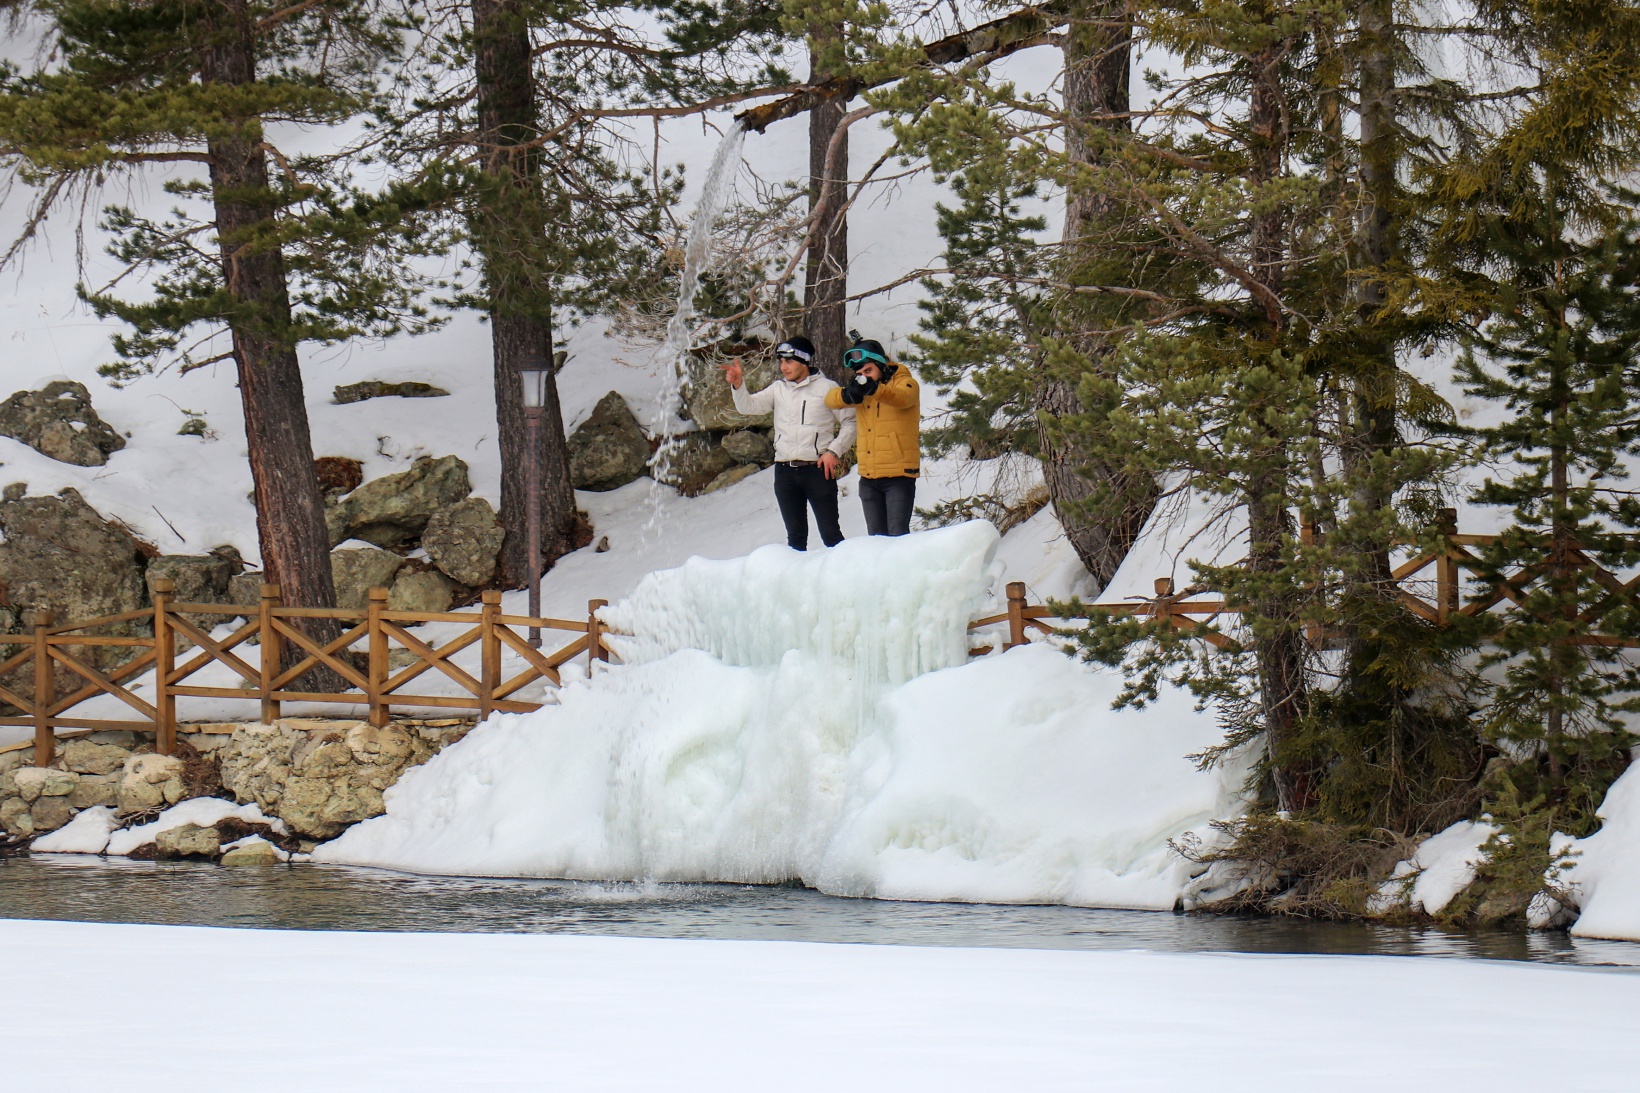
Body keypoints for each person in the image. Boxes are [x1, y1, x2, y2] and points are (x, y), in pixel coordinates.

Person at [721, 336, 857, 551]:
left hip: (817, 470)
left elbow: (851, 422)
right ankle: (798, 582)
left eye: (789, 361)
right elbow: (748, 407)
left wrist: (833, 451)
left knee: (830, 534)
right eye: (780, 361)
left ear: (804, 361)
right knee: (795, 538)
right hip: (785, 472)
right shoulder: (778, 389)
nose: (783, 367)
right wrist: (738, 385)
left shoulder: (827, 388)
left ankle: (842, 580)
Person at [825, 334, 920, 536]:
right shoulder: (865, 391)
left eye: (869, 370)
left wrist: (874, 388)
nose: (865, 376)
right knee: (875, 540)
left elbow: (903, 398)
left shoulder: (906, 382)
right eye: (861, 373)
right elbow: (830, 399)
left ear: (882, 365)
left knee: (897, 536)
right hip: (868, 477)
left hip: (899, 476)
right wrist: (847, 394)